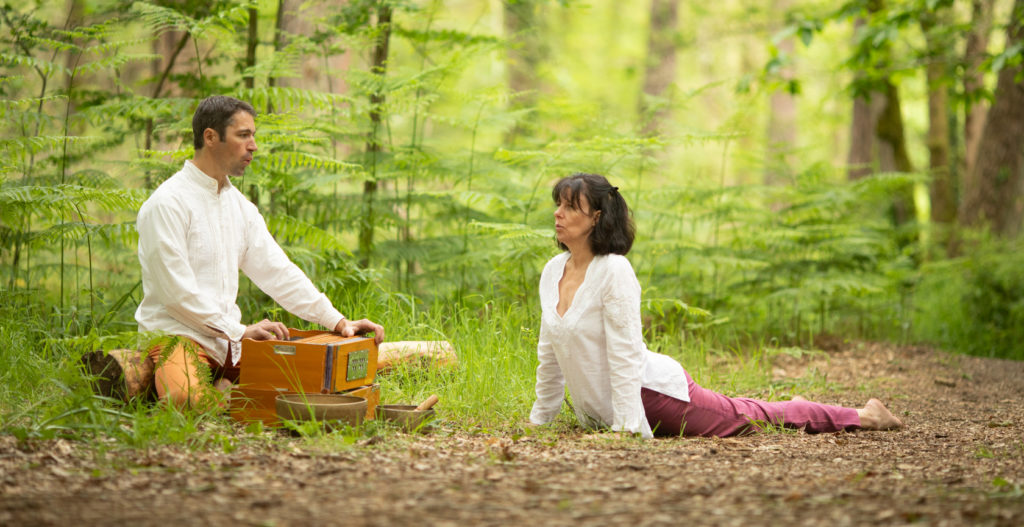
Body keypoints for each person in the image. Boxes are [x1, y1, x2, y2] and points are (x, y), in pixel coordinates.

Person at [528, 173, 903, 438]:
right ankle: (794, 406)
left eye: (570, 207)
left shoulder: (614, 270)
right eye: (558, 204)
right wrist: (540, 421)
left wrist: (626, 429)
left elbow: (626, 355)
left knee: (746, 417)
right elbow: (550, 353)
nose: (558, 213)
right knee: (748, 410)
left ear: (596, 217)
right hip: (607, 406)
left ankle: (865, 416)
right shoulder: (552, 271)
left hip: (654, 396)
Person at [135, 95, 384, 409]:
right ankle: (224, 393)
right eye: (243, 135)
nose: (253, 145)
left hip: (231, 347)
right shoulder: (166, 204)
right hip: (177, 337)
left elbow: (279, 272)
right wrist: (240, 331)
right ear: (210, 137)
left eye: (253, 136)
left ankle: (227, 389)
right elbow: (175, 295)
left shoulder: (240, 207)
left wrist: (337, 321)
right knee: (185, 399)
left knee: (321, 385)